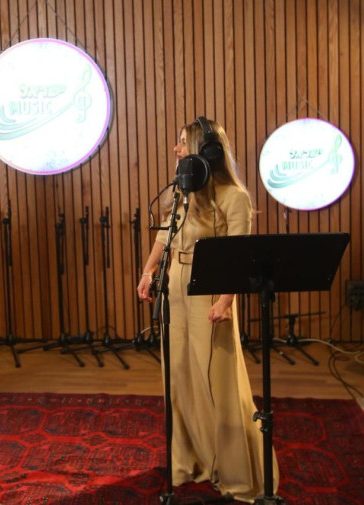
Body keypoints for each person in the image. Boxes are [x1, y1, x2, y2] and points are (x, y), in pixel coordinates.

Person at [136, 118, 279, 503]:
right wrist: (149, 271)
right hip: (175, 287)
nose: (176, 149)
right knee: (179, 374)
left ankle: (235, 471)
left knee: (216, 379)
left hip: (211, 291)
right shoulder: (183, 190)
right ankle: (188, 461)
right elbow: (165, 233)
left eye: (183, 142)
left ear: (206, 150)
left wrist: (226, 301)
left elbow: (239, 256)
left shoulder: (235, 198)